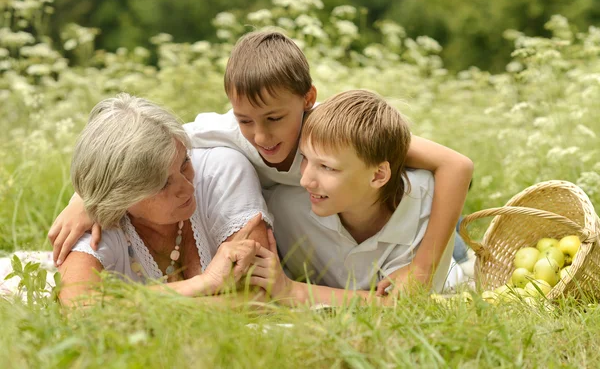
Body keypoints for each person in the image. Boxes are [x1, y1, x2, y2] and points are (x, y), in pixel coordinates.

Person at [49, 30, 473, 290]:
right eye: (246, 120)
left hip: (410, 215)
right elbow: (131, 152)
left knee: (448, 265)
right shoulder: (227, 131)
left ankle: (456, 259)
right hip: (332, 232)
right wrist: (85, 199)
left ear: (308, 99)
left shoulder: (336, 134)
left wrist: (421, 270)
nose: (261, 135)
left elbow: (457, 166)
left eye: (275, 118)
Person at [57, 94, 273, 304]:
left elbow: (259, 296)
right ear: (121, 198)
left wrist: (131, 307)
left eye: (185, 163)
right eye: (163, 184)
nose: (187, 187)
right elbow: (80, 307)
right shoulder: (94, 222)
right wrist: (204, 284)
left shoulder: (221, 171)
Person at [248, 90, 455, 305]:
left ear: (378, 175)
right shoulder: (285, 208)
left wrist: (292, 290)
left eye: (327, 167)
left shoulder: (428, 206)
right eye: (305, 158)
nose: (305, 181)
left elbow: (400, 305)